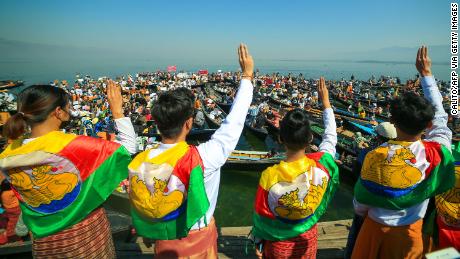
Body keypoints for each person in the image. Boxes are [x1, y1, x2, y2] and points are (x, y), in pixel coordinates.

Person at [128, 44, 254, 258]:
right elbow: (235, 121)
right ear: (189, 123)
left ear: (157, 124)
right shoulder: (203, 157)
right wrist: (247, 76)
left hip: (163, 238)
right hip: (198, 242)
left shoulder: (141, 161)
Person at [0, 82, 136, 258]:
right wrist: (117, 111)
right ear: (58, 112)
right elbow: (127, 149)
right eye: (67, 107)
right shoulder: (72, 145)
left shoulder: (8, 154)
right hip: (84, 234)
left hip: (44, 240)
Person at [351, 46, 455, 259]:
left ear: (393, 121)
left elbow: (360, 205)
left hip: (372, 230)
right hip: (410, 232)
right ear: (427, 124)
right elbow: (441, 121)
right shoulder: (434, 154)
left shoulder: (376, 155)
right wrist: (426, 75)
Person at [252, 77, 339, 259]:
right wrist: (326, 104)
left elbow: (262, 216)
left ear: (280, 139)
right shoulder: (322, 166)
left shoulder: (270, 176)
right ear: (309, 139)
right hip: (307, 238)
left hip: (278, 246)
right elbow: (330, 137)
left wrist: (259, 240)